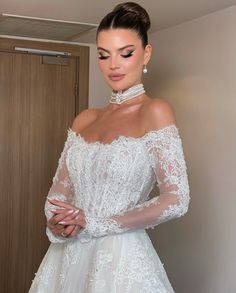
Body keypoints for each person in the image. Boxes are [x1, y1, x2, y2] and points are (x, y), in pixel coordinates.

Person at [29, 2, 190, 292]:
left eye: (125, 53)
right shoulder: (84, 119)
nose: (113, 65)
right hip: (66, 258)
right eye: (104, 56)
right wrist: (57, 222)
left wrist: (96, 223)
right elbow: (57, 195)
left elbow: (177, 198)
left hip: (121, 261)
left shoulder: (155, 111)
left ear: (146, 54)